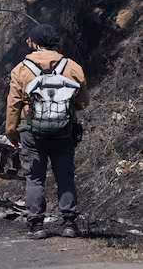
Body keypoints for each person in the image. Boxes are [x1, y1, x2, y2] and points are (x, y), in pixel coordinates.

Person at [5, 24, 89, 239]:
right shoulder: (72, 67)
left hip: (31, 133)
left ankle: (37, 226)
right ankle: (69, 224)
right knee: (65, 177)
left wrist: (12, 132)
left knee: (35, 179)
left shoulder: (21, 69)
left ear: (34, 43)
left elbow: (13, 105)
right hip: (64, 132)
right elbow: (83, 102)